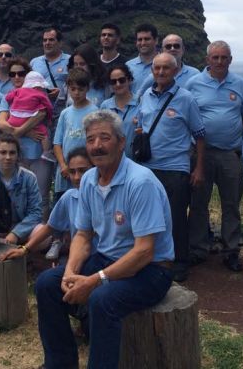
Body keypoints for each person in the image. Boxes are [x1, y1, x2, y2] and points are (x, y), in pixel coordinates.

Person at [35, 110, 174, 369]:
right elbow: (83, 235)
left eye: (104, 138)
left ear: (121, 142)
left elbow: (144, 251)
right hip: (107, 259)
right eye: (90, 139)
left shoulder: (140, 182)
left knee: (102, 299)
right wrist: (70, 272)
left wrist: (94, 280)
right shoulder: (89, 179)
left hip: (151, 270)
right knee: (47, 284)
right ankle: (60, 364)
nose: (96, 146)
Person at [137, 52, 205, 282]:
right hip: (148, 167)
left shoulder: (186, 98)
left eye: (166, 68)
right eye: (157, 68)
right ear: (152, 70)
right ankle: (152, 258)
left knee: (175, 217)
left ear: (175, 71)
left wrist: (199, 168)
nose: (161, 72)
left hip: (175, 167)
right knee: (149, 216)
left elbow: (200, 135)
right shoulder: (145, 96)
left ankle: (180, 262)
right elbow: (142, 126)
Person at [185, 41, 243, 271]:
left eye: (224, 57)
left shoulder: (240, 84)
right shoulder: (193, 84)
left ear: (230, 60)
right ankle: (198, 249)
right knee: (198, 203)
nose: (220, 62)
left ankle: (231, 251)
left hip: (230, 154)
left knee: (231, 205)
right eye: (215, 57)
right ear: (207, 60)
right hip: (201, 155)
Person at [0, 146, 91, 261]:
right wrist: (24, 249)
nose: (77, 177)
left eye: (82, 171)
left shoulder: (105, 196)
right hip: (79, 257)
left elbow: (36, 213)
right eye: (72, 172)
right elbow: (50, 227)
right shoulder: (69, 197)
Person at [49, 68, 99, 261]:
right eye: (73, 89)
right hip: (65, 170)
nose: (76, 93)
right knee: (62, 203)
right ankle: (58, 241)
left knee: (84, 205)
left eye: (80, 89)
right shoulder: (65, 113)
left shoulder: (94, 112)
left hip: (86, 169)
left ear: (87, 89)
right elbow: (57, 142)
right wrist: (63, 164)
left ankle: (84, 245)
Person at [0, 57, 55, 218]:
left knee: (42, 196)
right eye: (12, 74)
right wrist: (25, 131)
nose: (16, 77)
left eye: (21, 73)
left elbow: (42, 114)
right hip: (17, 154)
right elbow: (1, 125)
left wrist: (17, 130)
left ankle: (42, 229)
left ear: (28, 75)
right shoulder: (8, 97)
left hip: (39, 155)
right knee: (16, 195)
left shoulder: (39, 93)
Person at [0, 134, 44, 245]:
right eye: (3, 152)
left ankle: (24, 251)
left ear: (18, 155)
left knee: (42, 234)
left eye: (12, 153)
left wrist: (16, 233)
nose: (8, 157)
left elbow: (36, 212)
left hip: (22, 228)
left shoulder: (29, 177)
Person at [4, 70, 54, 158]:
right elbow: (48, 107)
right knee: (43, 133)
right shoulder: (40, 94)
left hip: (13, 119)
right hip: (28, 118)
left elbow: (8, 97)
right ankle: (46, 152)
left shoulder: (18, 91)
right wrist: (50, 118)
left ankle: (10, 150)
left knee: (9, 132)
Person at [100, 63, 140, 158]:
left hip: (136, 160)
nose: (118, 84)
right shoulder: (105, 106)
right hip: (112, 159)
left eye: (121, 80)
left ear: (129, 80)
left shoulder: (140, 103)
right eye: (113, 81)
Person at [30, 27, 70, 120]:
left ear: (60, 43)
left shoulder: (69, 61)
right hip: (39, 114)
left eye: (51, 40)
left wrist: (61, 93)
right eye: (45, 40)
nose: (47, 43)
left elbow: (76, 84)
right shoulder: (34, 62)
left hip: (62, 113)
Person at [126, 23, 158, 95]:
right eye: (140, 40)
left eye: (147, 39)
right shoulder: (128, 66)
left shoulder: (166, 65)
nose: (143, 43)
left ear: (156, 40)